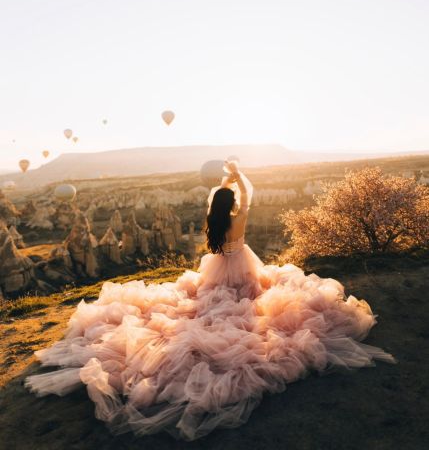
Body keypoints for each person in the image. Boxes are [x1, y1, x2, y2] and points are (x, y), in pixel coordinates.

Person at [24, 161, 395, 441]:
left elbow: (216, 199)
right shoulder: (240, 219)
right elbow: (249, 197)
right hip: (242, 267)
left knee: (219, 299)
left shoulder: (214, 220)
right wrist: (238, 176)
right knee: (250, 296)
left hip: (218, 267)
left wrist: (223, 184)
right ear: (231, 203)